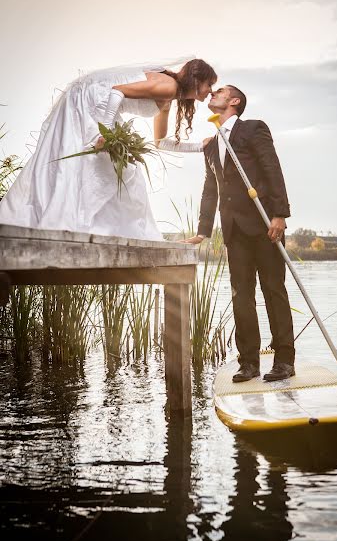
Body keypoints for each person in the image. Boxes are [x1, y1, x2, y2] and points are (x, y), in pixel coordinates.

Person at [0, 57, 216, 240]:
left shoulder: (170, 96)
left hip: (102, 106)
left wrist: (200, 147)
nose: (210, 91)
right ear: (197, 80)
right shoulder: (168, 86)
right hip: (92, 101)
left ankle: (93, 229)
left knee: (120, 173)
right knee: (106, 169)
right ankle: (75, 226)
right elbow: (116, 92)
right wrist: (103, 132)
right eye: (209, 85)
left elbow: (160, 143)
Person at [185, 85, 295, 382]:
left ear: (234, 101)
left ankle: (284, 361)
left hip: (264, 225)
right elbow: (211, 189)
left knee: (273, 290)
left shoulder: (253, 129)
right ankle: (249, 363)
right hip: (233, 230)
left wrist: (280, 214)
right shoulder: (211, 145)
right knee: (241, 296)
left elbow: (272, 169)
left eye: (219, 91)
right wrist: (203, 230)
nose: (212, 93)